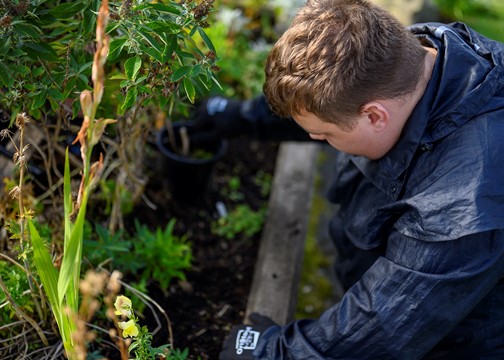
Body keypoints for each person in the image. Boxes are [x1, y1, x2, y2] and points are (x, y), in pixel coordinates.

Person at [191, 0, 504, 358]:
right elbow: (330, 98)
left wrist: (270, 352)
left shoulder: (463, 201)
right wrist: (238, 118)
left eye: (325, 137)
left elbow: (384, 326)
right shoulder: (424, 58)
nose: (316, 139)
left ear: (374, 116)